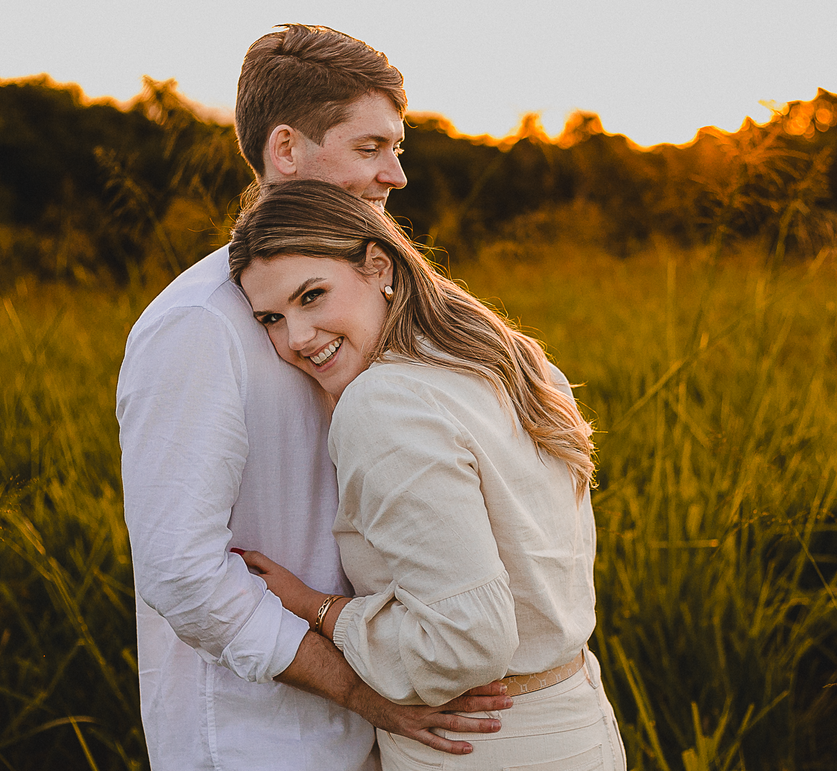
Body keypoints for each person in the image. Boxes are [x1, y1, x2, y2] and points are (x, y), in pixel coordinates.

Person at [116, 25, 508, 771]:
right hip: (256, 740)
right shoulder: (200, 323)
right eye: (369, 148)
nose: (395, 175)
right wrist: (358, 690)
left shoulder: (368, 300)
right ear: (286, 149)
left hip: (379, 728)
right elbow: (181, 571)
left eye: (399, 148)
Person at [227, 179, 627, 770]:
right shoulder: (506, 355)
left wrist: (316, 607)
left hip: (478, 743)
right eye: (271, 317)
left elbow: (466, 640)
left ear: (378, 266)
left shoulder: (383, 402)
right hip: (578, 723)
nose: (296, 338)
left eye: (312, 296)